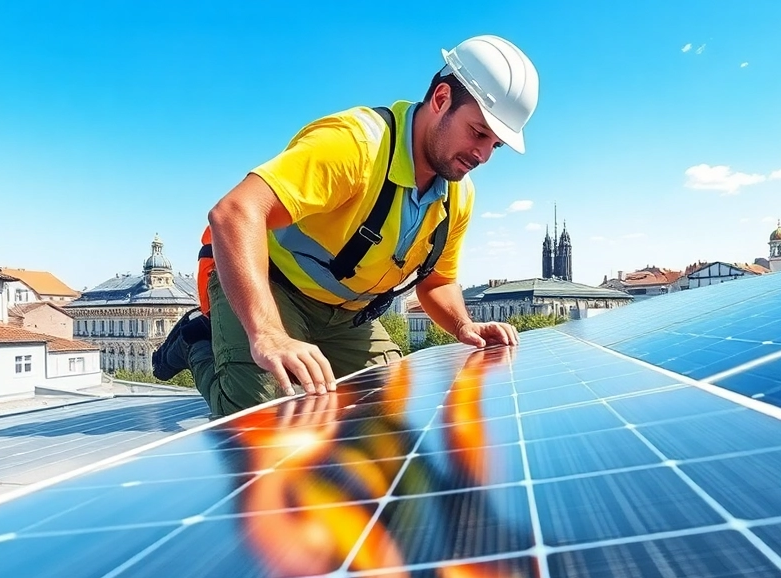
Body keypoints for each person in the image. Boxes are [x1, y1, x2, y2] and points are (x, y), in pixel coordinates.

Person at [153, 35, 539, 419]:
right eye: (479, 132)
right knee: (260, 417)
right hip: (267, 284)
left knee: (385, 405)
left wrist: (463, 326)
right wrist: (267, 333)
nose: (484, 155)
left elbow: (437, 282)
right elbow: (234, 213)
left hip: (344, 314)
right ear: (440, 100)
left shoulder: (457, 196)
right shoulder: (356, 145)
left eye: (496, 145)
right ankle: (197, 342)